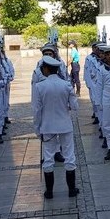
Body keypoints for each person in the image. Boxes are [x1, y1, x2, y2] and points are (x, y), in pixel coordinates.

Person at [32, 56, 80, 198]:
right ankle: (71, 190)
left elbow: (36, 110)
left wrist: (37, 128)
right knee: (69, 156)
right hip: (65, 125)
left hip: (47, 126)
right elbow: (75, 106)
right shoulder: (66, 85)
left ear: (46, 69)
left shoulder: (40, 86)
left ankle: (49, 191)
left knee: (48, 158)